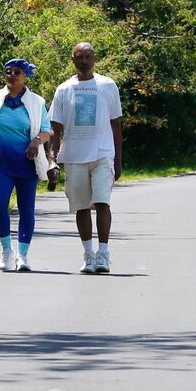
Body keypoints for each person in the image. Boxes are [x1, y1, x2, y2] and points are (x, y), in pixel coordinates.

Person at [48, 42, 123, 274]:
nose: (83, 60)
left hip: (102, 154)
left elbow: (116, 124)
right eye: (79, 57)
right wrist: (52, 158)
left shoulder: (108, 86)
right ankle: (88, 255)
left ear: (94, 58)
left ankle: (104, 254)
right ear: (73, 59)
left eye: (87, 56)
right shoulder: (64, 89)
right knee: (81, 207)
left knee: (102, 202)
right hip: (75, 156)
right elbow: (55, 128)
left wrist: (118, 159)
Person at [0, 58, 51, 272]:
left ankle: (23, 255)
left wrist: (36, 141)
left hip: (27, 163)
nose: (12, 75)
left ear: (25, 76)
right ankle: (6, 250)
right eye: (8, 71)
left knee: (26, 209)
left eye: (17, 72)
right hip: (1, 162)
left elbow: (46, 130)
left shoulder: (37, 102)